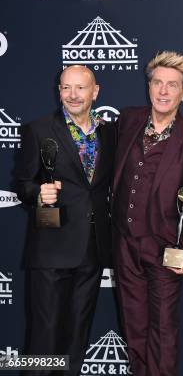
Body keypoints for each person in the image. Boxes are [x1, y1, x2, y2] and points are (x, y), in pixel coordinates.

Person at [112, 51, 183, 376]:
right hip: (126, 244)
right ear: (149, 86)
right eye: (157, 83)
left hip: (167, 247)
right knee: (134, 326)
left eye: (172, 85)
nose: (163, 91)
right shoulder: (128, 120)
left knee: (163, 330)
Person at [16, 65, 115, 376]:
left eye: (80, 88)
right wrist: (37, 193)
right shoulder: (39, 129)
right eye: (65, 88)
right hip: (51, 249)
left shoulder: (110, 132)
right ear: (58, 91)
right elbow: (22, 183)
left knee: (77, 336)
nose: (72, 95)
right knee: (44, 338)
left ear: (95, 92)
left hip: (92, 249)